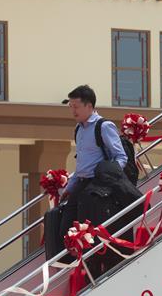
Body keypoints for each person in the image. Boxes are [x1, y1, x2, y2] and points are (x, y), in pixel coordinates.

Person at [53, 85, 128, 252]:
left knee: (88, 233)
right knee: (65, 229)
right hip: (81, 184)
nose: (73, 111)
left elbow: (121, 157)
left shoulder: (103, 126)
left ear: (89, 106)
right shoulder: (79, 128)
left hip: (97, 187)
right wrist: (70, 187)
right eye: (71, 107)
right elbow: (81, 164)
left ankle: (89, 269)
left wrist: (108, 177)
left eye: (76, 106)